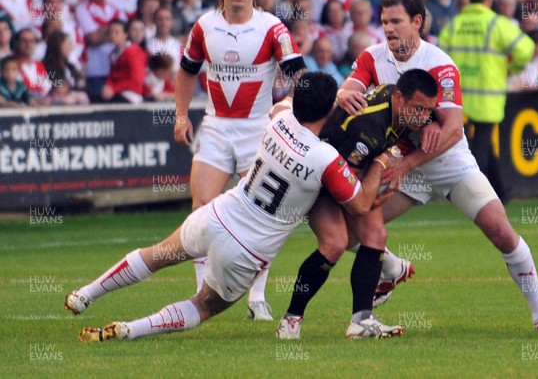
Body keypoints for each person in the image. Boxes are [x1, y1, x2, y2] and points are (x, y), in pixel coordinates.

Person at [65, 72, 391, 342]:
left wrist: (330, 98)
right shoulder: (325, 159)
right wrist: (381, 159)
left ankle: (85, 294)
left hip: (219, 214)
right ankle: (129, 330)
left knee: (155, 254)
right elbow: (361, 204)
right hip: (246, 250)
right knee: (204, 306)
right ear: (330, 112)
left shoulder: (279, 121)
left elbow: (284, 103)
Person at [334, 0, 538, 335]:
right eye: (384, 22)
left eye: (396, 21)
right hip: (403, 162)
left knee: (502, 233)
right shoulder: (370, 57)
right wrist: (343, 92)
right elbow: (351, 87)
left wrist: (405, 166)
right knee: (347, 227)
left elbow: (453, 131)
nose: (389, 29)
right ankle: (393, 268)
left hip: (447, 164)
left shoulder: (440, 64)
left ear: (417, 22)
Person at [174, 0, 306, 321]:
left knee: (260, 213)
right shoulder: (204, 26)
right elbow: (187, 70)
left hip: (256, 130)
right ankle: (202, 287)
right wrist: (182, 114)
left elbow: (299, 73)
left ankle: (257, 296)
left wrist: (288, 106)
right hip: (216, 128)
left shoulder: (272, 28)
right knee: (201, 204)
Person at [277, 68, 440, 340]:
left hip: (342, 167)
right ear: (399, 98)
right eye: (419, 110)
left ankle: (361, 321)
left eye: (428, 111)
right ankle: (291, 319)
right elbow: (350, 193)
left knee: (376, 234)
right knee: (335, 243)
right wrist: (383, 161)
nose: (423, 118)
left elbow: (426, 115)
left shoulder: (400, 102)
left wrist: (431, 123)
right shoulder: (368, 129)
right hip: (317, 177)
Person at [438, 0, 535, 202]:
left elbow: (439, 55)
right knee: (480, 144)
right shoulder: (496, 23)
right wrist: (513, 69)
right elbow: (526, 48)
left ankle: (500, 191)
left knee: (482, 144)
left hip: (457, 96)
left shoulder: (454, 25)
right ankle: (475, 194)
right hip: (487, 95)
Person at [101, 19, 147, 103]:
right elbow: (112, 76)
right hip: (117, 93)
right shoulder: (113, 54)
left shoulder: (134, 51)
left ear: (125, 34)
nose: (113, 35)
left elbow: (136, 80)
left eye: (116, 32)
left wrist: (113, 89)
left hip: (131, 95)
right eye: (111, 32)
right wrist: (108, 87)